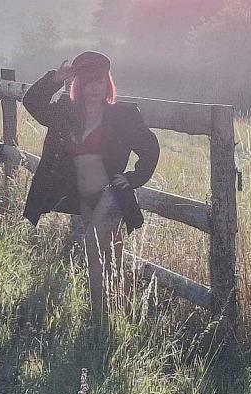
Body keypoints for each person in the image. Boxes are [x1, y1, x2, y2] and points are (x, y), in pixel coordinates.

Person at [23, 51, 160, 319]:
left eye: (99, 81)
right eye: (87, 82)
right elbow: (32, 103)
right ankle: (119, 311)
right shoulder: (66, 112)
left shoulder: (123, 115)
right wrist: (54, 78)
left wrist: (133, 178)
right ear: (79, 85)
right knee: (109, 258)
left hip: (111, 194)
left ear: (107, 83)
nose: (94, 88)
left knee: (92, 244)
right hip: (83, 197)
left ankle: (98, 317)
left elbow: (150, 148)